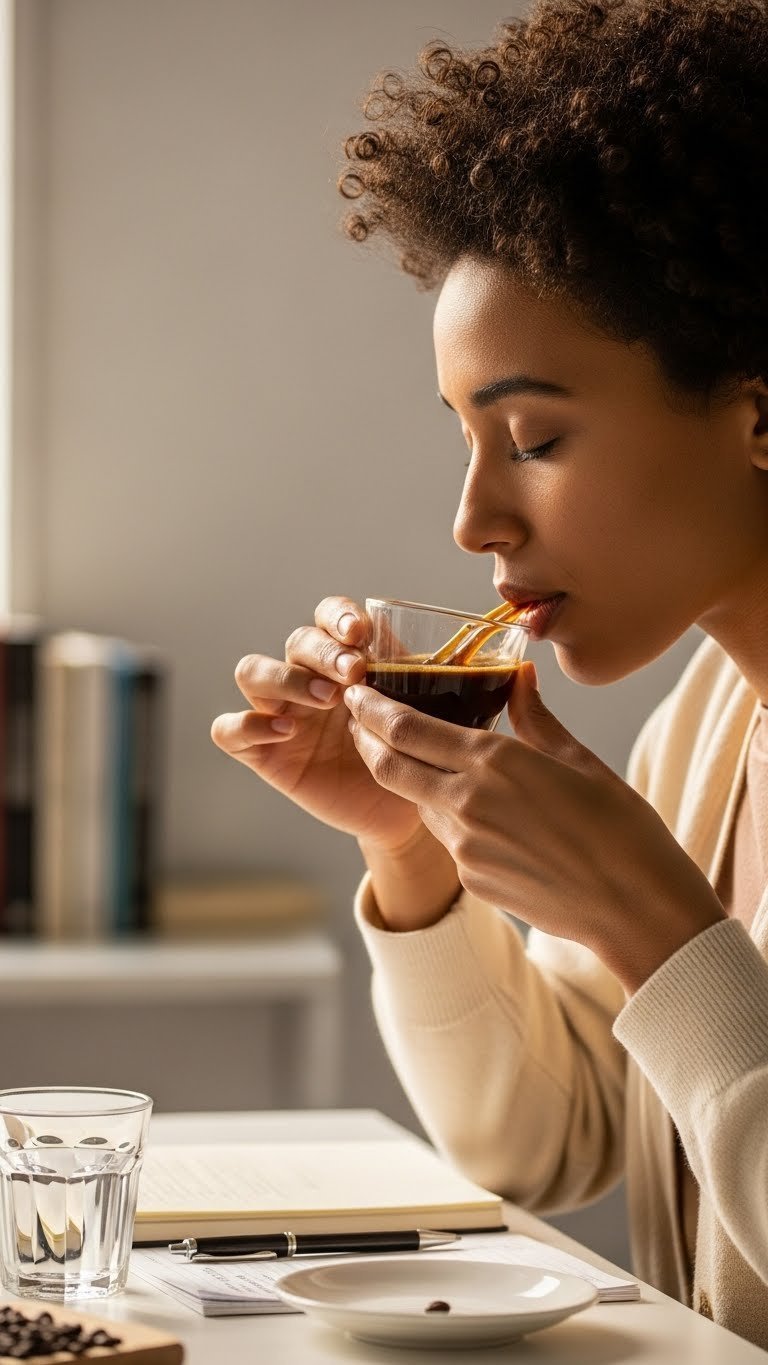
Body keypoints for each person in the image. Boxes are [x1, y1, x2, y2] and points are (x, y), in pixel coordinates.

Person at [211, 0, 768, 1347]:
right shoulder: (711, 728)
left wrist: (660, 930)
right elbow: (548, 1139)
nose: (474, 520)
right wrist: (414, 844)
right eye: (468, 435)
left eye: (532, 435)